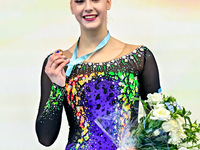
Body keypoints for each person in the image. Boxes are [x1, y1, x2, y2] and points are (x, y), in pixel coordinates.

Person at [35, 0, 161, 150]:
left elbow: (160, 127)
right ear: (71, 7)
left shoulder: (140, 58)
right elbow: (45, 138)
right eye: (80, 1)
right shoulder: (58, 64)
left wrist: (141, 146)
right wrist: (57, 86)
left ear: (108, 2)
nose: (88, 7)